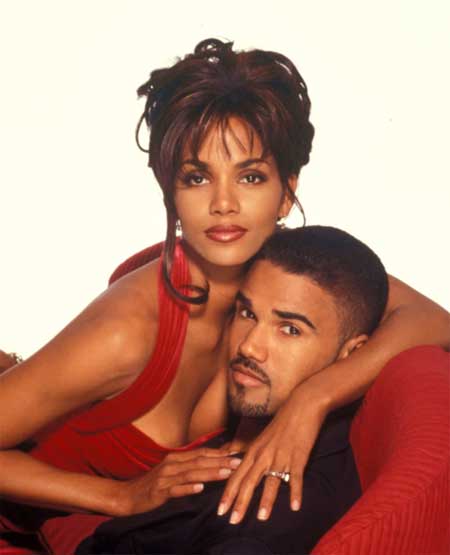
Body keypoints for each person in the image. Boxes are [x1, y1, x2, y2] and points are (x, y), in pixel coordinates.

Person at [0, 38, 449, 554]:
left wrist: (314, 399)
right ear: (171, 193)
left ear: (287, 192)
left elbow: (432, 320)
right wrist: (119, 496)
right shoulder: (128, 329)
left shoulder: (286, 270)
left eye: (250, 177)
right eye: (197, 178)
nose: (224, 204)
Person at [75, 225, 388, 555]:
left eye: (290, 329)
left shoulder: (265, 516)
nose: (249, 346)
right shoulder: (245, 424)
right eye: (247, 313)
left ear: (352, 354)